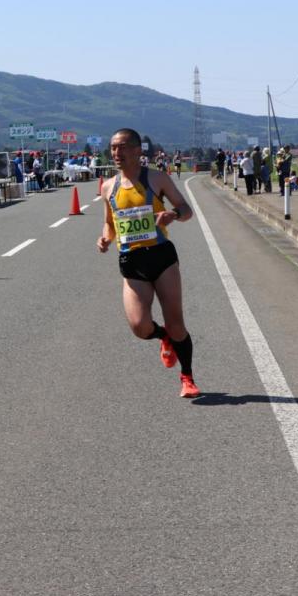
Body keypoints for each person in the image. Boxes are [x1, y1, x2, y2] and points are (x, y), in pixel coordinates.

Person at [96, 128, 199, 398]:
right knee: (140, 327)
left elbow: (187, 210)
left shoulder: (156, 178)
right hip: (131, 261)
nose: (116, 153)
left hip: (161, 256)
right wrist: (105, 239)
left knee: (176, 323)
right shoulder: (108, 187)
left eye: (122, 147)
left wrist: (172, 214)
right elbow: (110, 223)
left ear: (137, 150)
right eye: (113, 147)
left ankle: (187, 377)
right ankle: (162, 337)